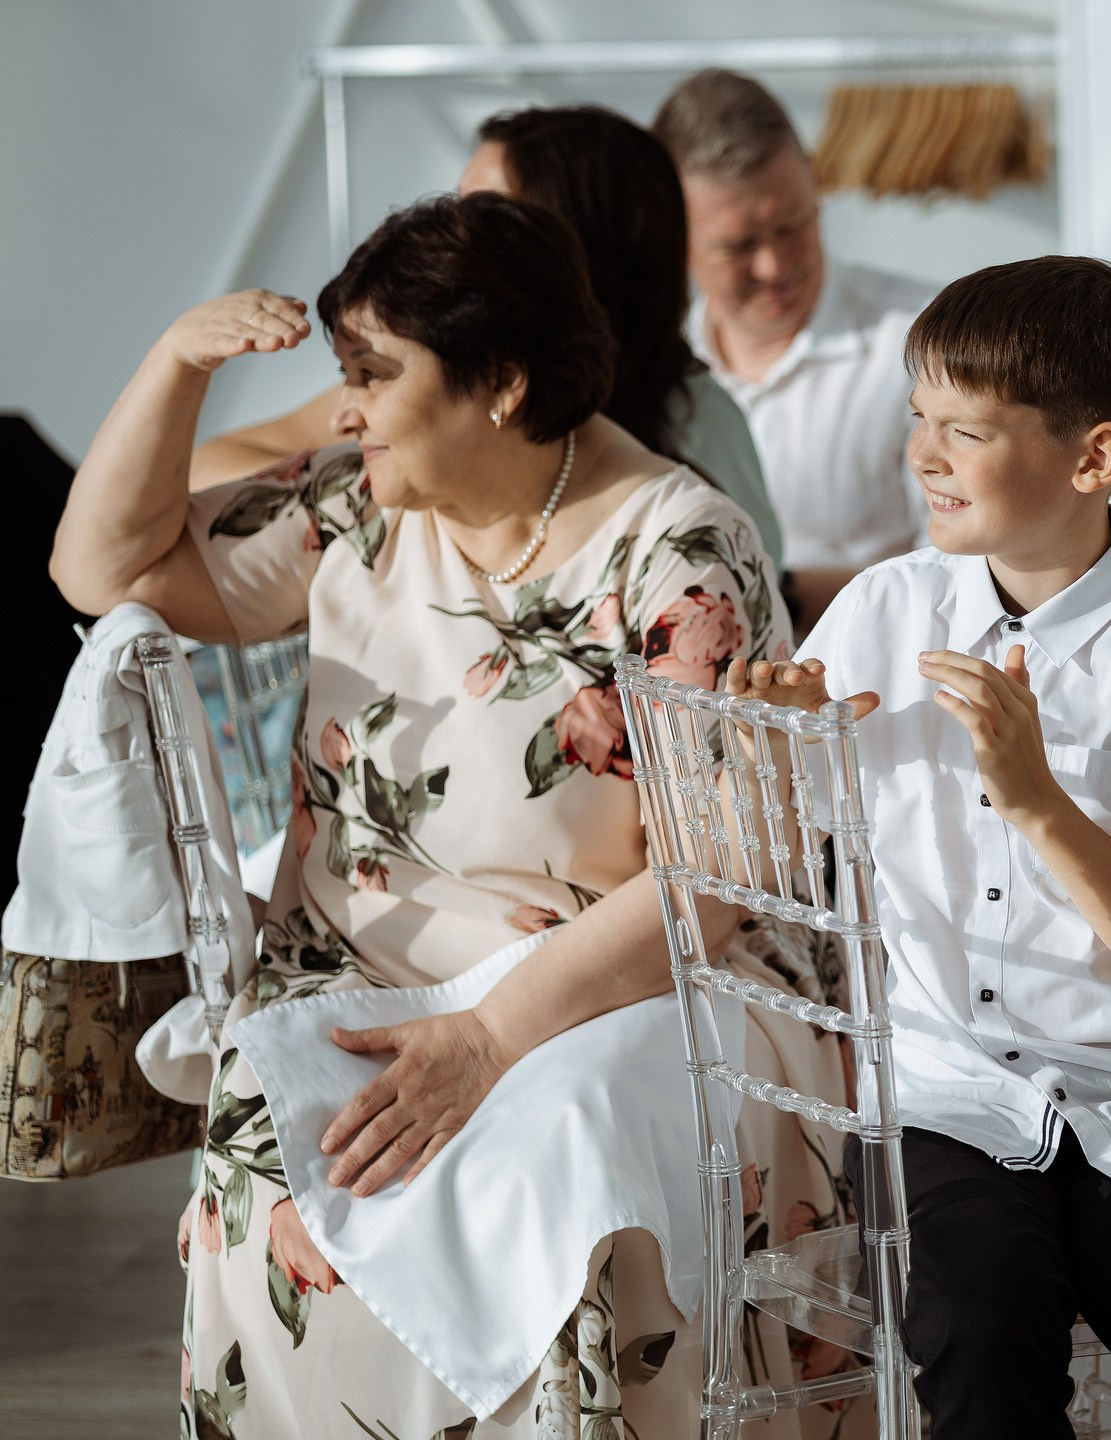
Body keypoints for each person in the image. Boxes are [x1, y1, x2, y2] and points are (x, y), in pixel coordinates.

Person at [49, 194, 848, 1438]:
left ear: (503, 385)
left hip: (618, 987)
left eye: (374, 373)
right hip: (353, 979)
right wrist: (176, 364)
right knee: (274, 1175)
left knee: (558, 1169)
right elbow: (99, 570)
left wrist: (486, 1039)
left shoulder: (680, 551)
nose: (346, 407)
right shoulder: (360, 505)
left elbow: (720, 877)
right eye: (343, 374)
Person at [727, 256, 1111, 1437]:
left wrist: (1039, 799)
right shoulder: (883, 614)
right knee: (981, 1334)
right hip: (947, 1089)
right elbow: (770, 867)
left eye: (966, 430)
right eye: (919, 420)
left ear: (1093, 458)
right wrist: (765, 748)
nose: (924, 456)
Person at [191, 104, 787, 572]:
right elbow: (209, 472)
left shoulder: (700, 437)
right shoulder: (414, 400)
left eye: (485, 215)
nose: (447, 230)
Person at [654, 69, 931, 629]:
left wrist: (769, 592)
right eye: (738, 246)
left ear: (815, 189)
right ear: (673, 238)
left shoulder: (925, 342)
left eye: (791, 226)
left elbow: (968, 573)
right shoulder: (653, 367)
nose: (773, 266)